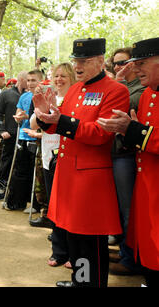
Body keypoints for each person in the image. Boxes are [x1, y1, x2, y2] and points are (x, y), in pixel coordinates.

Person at [34, 38, 130, 287]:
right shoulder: (76, 89)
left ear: (100, 61)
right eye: (76, 60)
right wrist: (45, 118)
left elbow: (100, 134)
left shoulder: (115, 91)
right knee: (73, 238)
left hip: (90, 181)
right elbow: (60, 123)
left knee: (89, 243)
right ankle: (80, 280)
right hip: (68, 176)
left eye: (84, 61)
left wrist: (61, 121)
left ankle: (89, 283)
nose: (78, 66)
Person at [97, 37, 159, 287]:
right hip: (146, 184)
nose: (136, 69)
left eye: (142, 63)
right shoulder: (146, 96)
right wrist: (128, 131)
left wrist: (132, 131)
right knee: (148, 245)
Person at [30, 63, 76, 269]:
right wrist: (42, 109)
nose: (59, 79)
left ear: (72, 77)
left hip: (69, 159)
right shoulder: (50, 97)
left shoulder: (76, 98)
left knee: (70, 209)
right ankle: (59, 251)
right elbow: (32, 123)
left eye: (63, 76)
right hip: (49, 157)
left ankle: (74, 254)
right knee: (54, 206)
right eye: (56, 76)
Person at [108, 47, 146, 276]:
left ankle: (131, 259)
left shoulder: (141, 87)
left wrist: (117, 82)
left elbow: (117, 107)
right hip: (116, 152)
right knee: (120, 208)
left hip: (127, 155)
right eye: (115, 63)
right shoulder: (127, 86)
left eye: (122, 62)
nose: (117, 67)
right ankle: (125, 251)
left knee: (128, 209)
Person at [3, 70, 42, 211]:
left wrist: (28, 117)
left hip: (36, 138)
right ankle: (16, 202)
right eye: (29, 80)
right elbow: (18, 113)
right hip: (22, 137)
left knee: (34, 172)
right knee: (19, 171)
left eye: (34, 80)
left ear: (40, 81)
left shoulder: (43, 97)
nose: (30, 83)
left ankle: (35, 205)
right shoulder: (24, 96)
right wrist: (19, 116)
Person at [0, 71, 28, 200]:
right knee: (6, 162)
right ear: (21, 79)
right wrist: (2, 131)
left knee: (22, 164)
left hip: (25, 135)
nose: (29, 82)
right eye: (27, 79)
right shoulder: (6, 94)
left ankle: (19, 193)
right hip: (9, 134)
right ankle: (1, 188)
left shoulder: (29, 95)